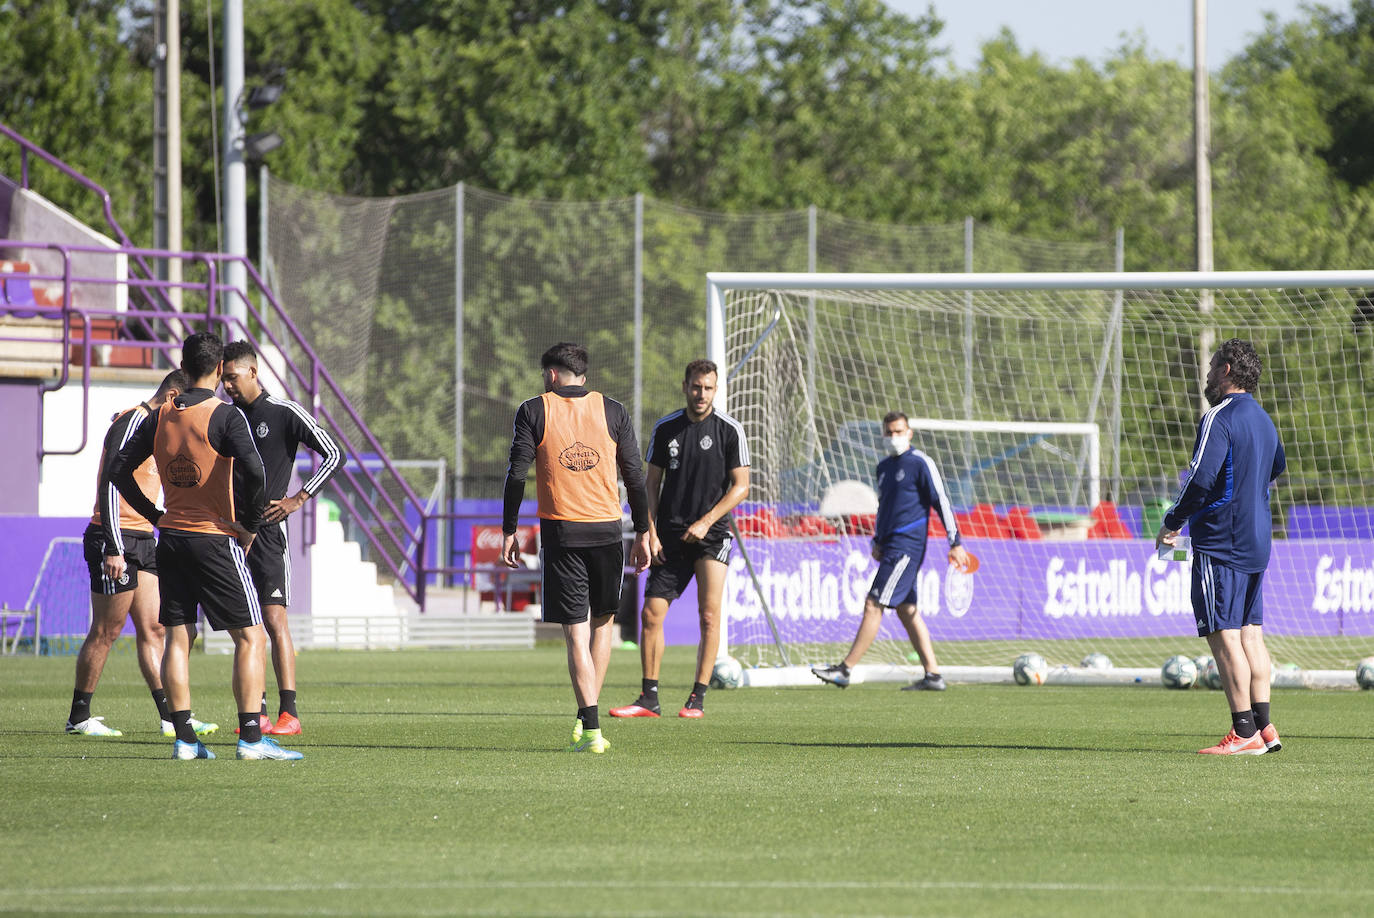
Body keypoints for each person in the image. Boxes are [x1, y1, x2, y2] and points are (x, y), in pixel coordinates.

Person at [111, 331, 302, 761]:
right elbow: (256, 471)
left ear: (183, 366)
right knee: (251, 637)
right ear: (219, 369)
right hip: (214, 539)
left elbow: (119, 470)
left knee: (179, 638)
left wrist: (155, 514)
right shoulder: (225, 415)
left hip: (171, 540)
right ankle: (251, 739)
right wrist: (249, 525)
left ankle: (184, 739)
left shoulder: (160, 416)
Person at [501, 342, 651, 754]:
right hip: (608, 531)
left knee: (575, 634)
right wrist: (643, 530)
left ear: (551, 374)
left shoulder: (534, 409)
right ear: (583, 375)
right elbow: (634, 475)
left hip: (563, 532)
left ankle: (591, 729)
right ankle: (587, 719)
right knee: (603, 626)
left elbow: (516, 475)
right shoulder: (613, 410)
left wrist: (509, 529)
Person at [66, 369, 216, 740]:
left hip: (145, 537)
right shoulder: (131, 421)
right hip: (114, 537)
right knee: (107, 630)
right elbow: (109, 483)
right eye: (183, 403)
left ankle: (171, 718)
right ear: (172, 396)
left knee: (155, 628)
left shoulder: (160, 427)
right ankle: (79, 717)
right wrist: (114, 546)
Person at [1155, 338, 1286, 756]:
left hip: (1221, 540)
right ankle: (1265, 728)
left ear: (1227, 370)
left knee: (1223, 634)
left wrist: (1172, 521)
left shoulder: (1219, 416)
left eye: (1212, 367)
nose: (1208, 374)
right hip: (1257, 538)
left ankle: (1243, 731)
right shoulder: (1264, 420)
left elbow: (1199, 479)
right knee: (1251, 634)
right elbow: (1277, 465)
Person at [609, 359, 749, 719]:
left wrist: (705, 522)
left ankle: (697, 698)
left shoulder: (730, 430)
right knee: (651, 614)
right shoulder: (666, 428)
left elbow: (741, 486)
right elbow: (650, 486)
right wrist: (650, 532)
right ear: (685, 386)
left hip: (712, 535)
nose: (701, 394)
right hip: (669, 536)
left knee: (709, 615)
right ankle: (649, 699)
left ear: (715, 390)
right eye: (696, 386)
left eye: (708, 388)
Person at [220, 340, 342, 736]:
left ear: (252, 372)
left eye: (232, 377)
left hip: (270, 533)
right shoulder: (224, 416)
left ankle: (289, 713)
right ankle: (256, 713)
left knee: (274, 620)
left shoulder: (283, 412)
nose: (227, 385)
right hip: (233, 533)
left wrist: (298, 498)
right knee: (245, 626)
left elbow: (334, 453)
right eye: (223, 379)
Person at [812, 411, 967, 690]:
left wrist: (955, 542)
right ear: (883, 435)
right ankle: (933, 675)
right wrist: (878, 541)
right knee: (907, 610)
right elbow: (885, 507)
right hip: (890, 545)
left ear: (909, 433)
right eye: (889, 432)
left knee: (873, 604)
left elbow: (941, 501)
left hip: (907, 545)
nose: (894, 437)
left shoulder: (920, 463)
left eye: (899, 431)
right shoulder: (883, 467)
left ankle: (844, 670)